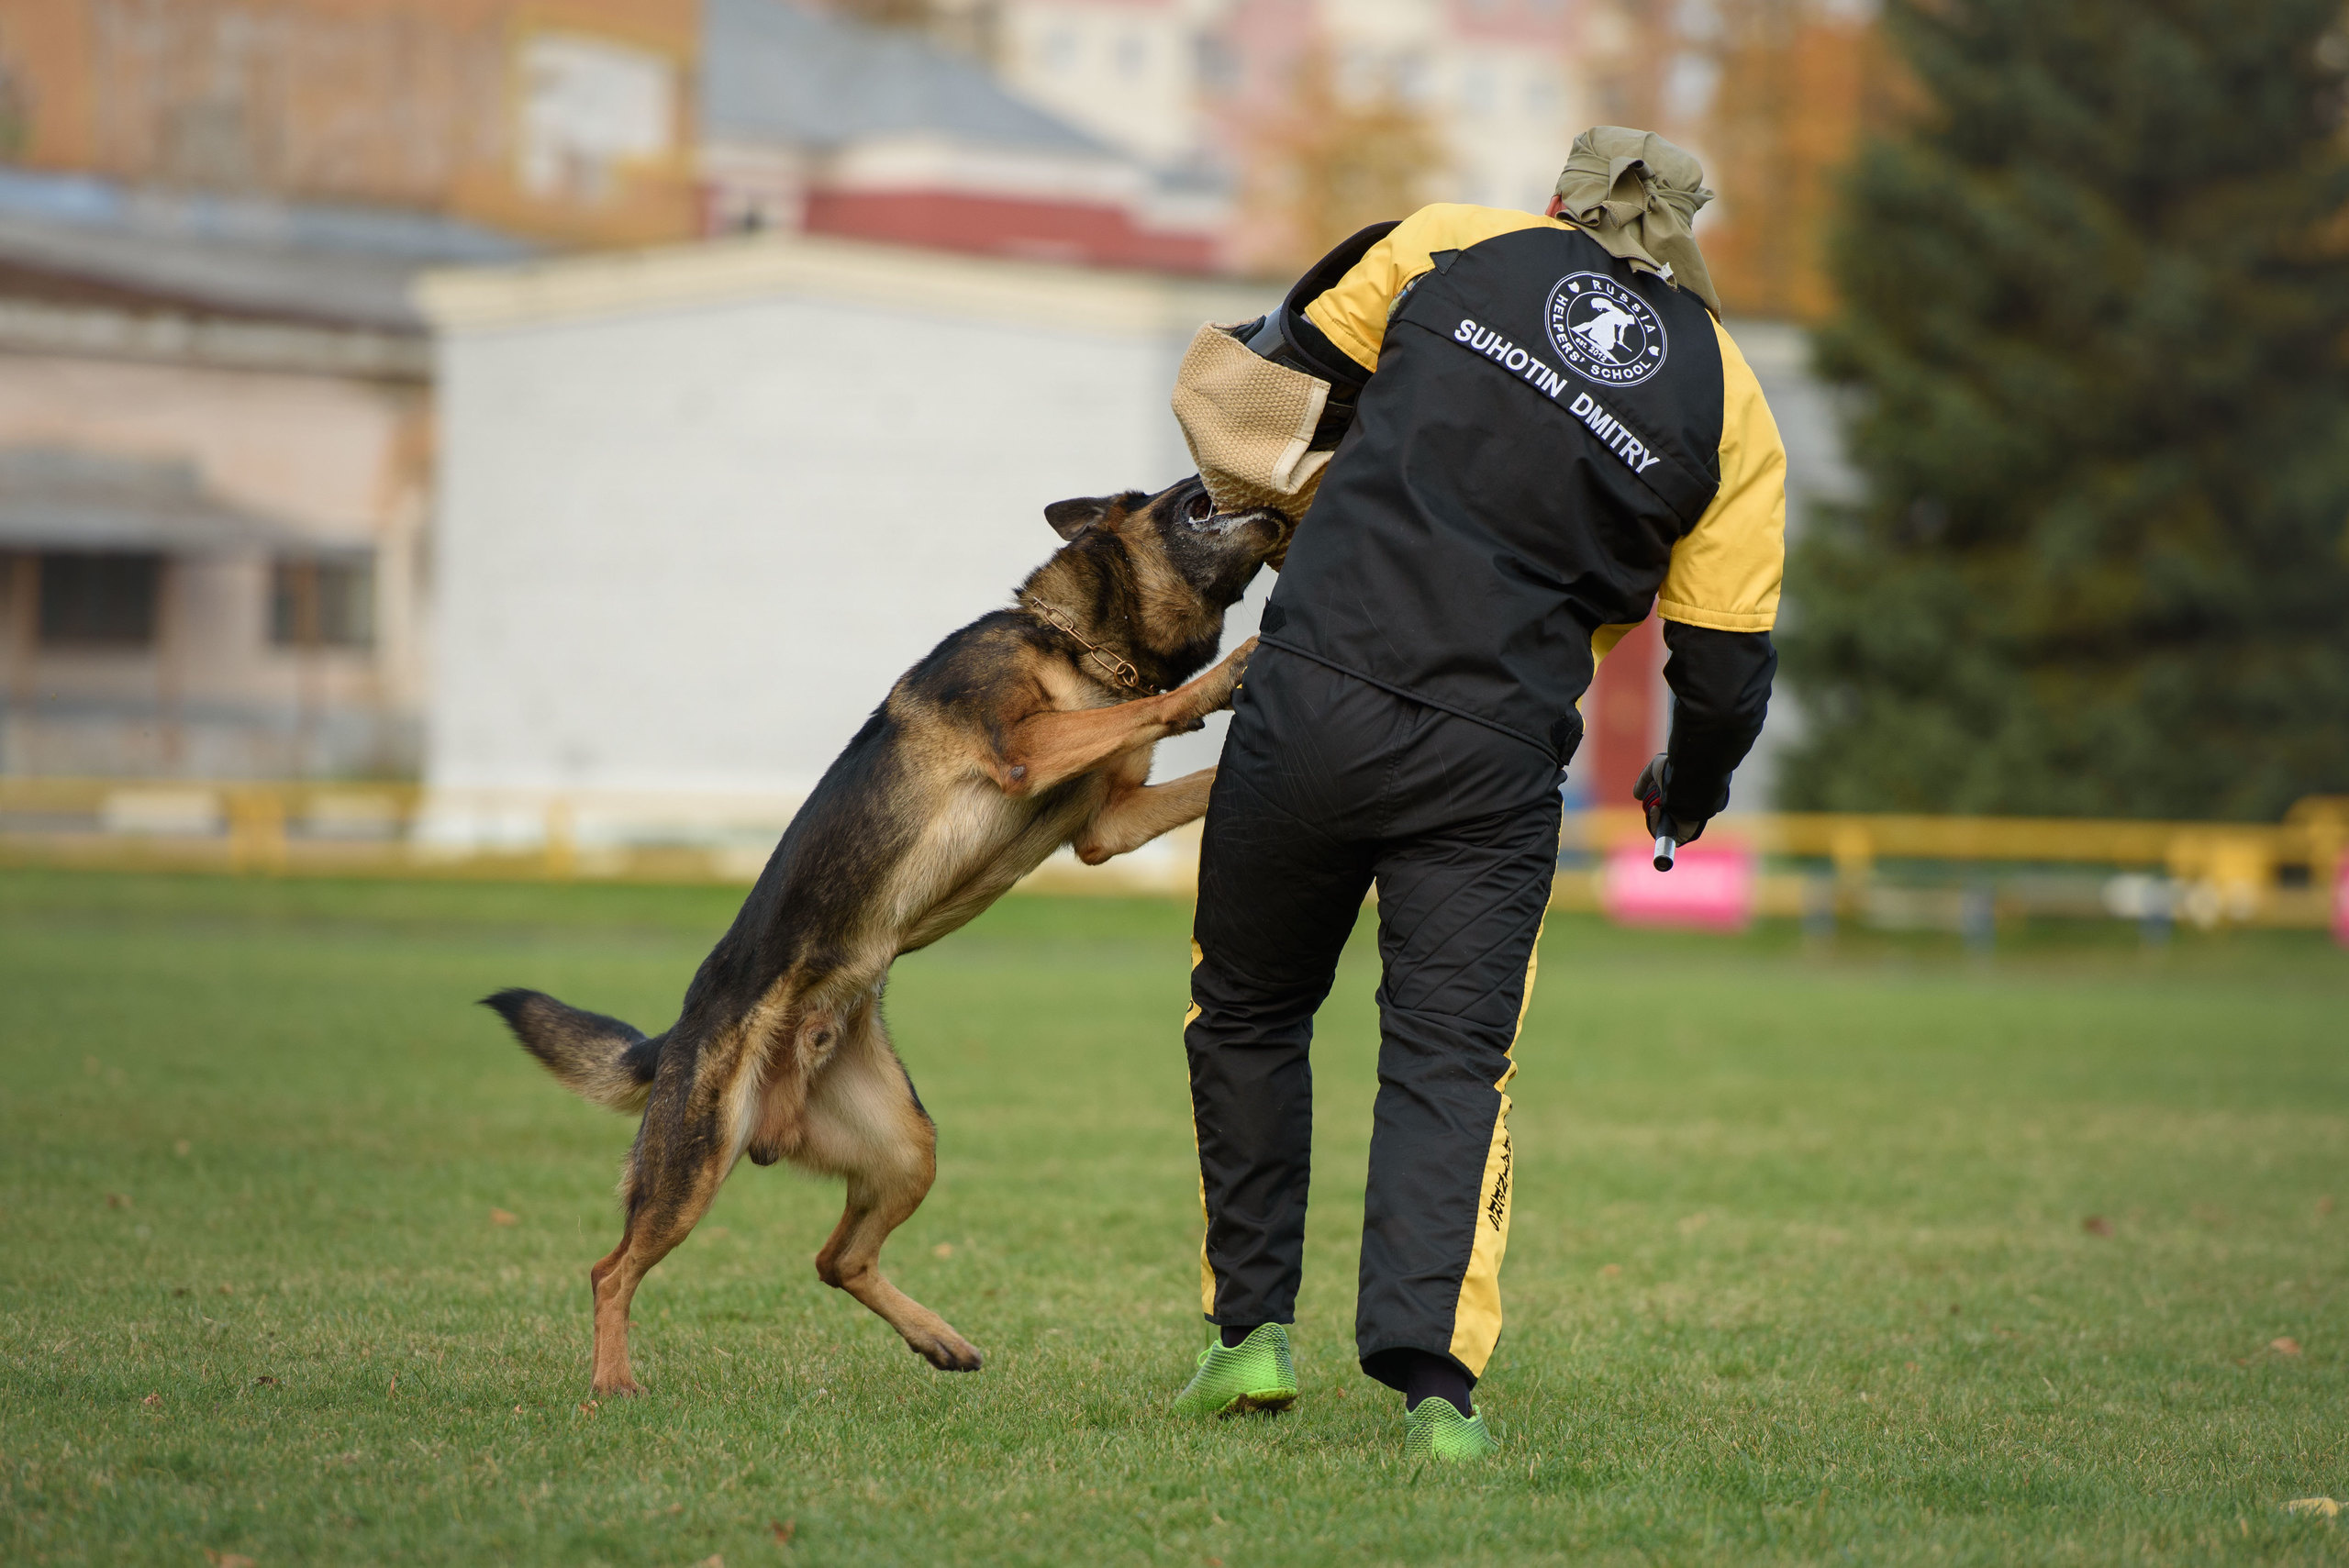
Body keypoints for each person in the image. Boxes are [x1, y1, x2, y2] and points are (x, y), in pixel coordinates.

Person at [1165, 128, 1787, 1461]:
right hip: (1493, 757)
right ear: (1688, 230)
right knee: (1451, 1059)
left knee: (1250, 1008)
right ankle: (1436, 1393)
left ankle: (1248, 1338)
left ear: (1560, 196)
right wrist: (1685, 790)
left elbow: (1269, 384)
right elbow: (1727, 663)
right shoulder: (1731, 399)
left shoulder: (1446, 240)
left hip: (1315, 692)